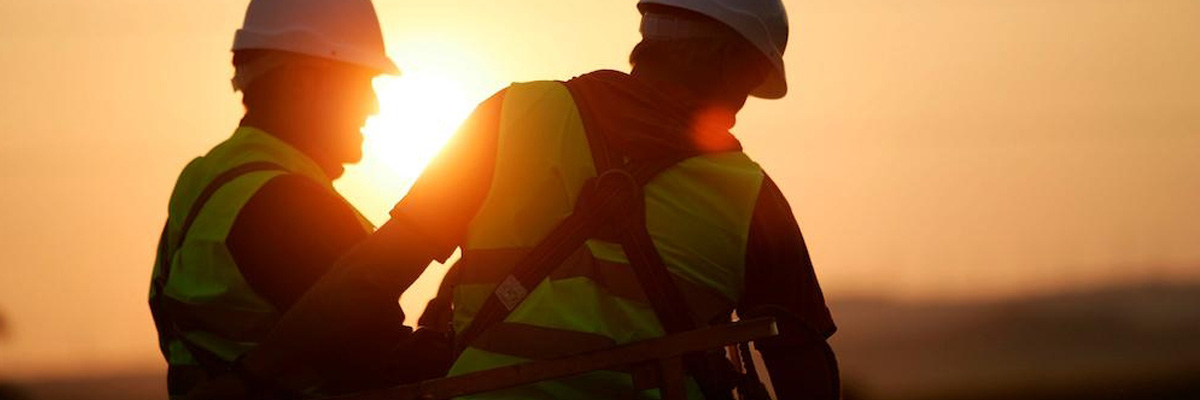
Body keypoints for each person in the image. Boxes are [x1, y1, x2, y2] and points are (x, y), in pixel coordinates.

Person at [232, 0, 839, 398]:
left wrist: (249, 378)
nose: (742, 104)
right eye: (750, 82)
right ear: (728, 60)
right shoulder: (754, 199)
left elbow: (372, 273)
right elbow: (804, 368)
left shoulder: (511, 116)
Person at [146, 0, 441, 398]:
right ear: (306, 82)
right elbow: (382, 367)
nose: (373, 107)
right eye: (362, 82)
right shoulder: (289, 204)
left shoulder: (207, 178)